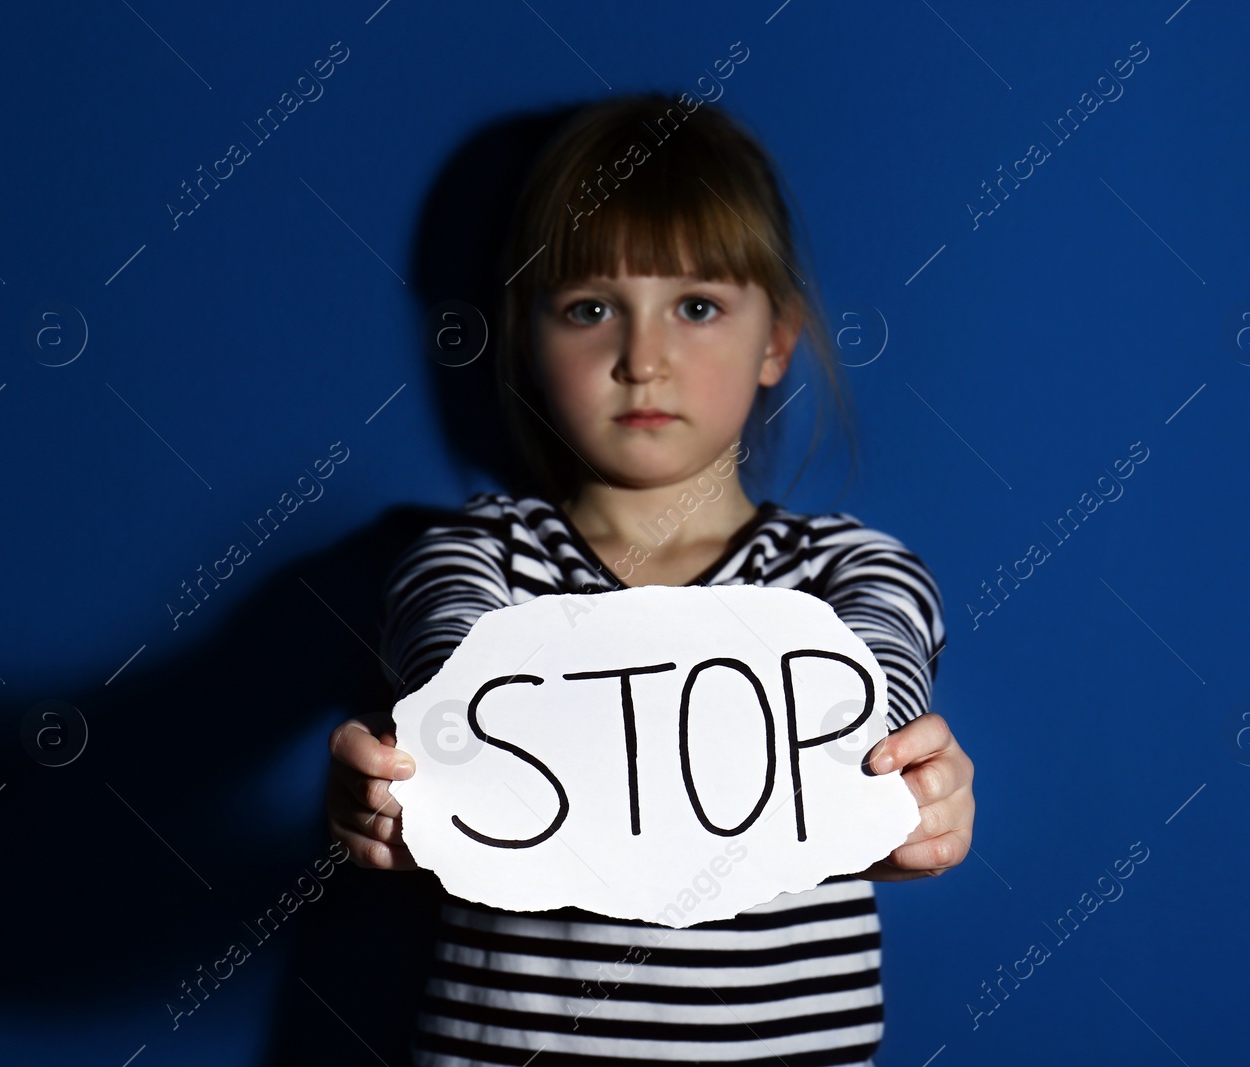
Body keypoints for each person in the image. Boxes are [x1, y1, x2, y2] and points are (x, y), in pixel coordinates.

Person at [328, 91, 975, 1067]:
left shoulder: (850, 570)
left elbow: (874, 701)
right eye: (591, 308)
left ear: (776, 341)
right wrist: (395, 789)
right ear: (526, 338)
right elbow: (450, 672)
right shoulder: (477, 556)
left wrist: (913, 795)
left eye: (697, 306)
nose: (643, 358)